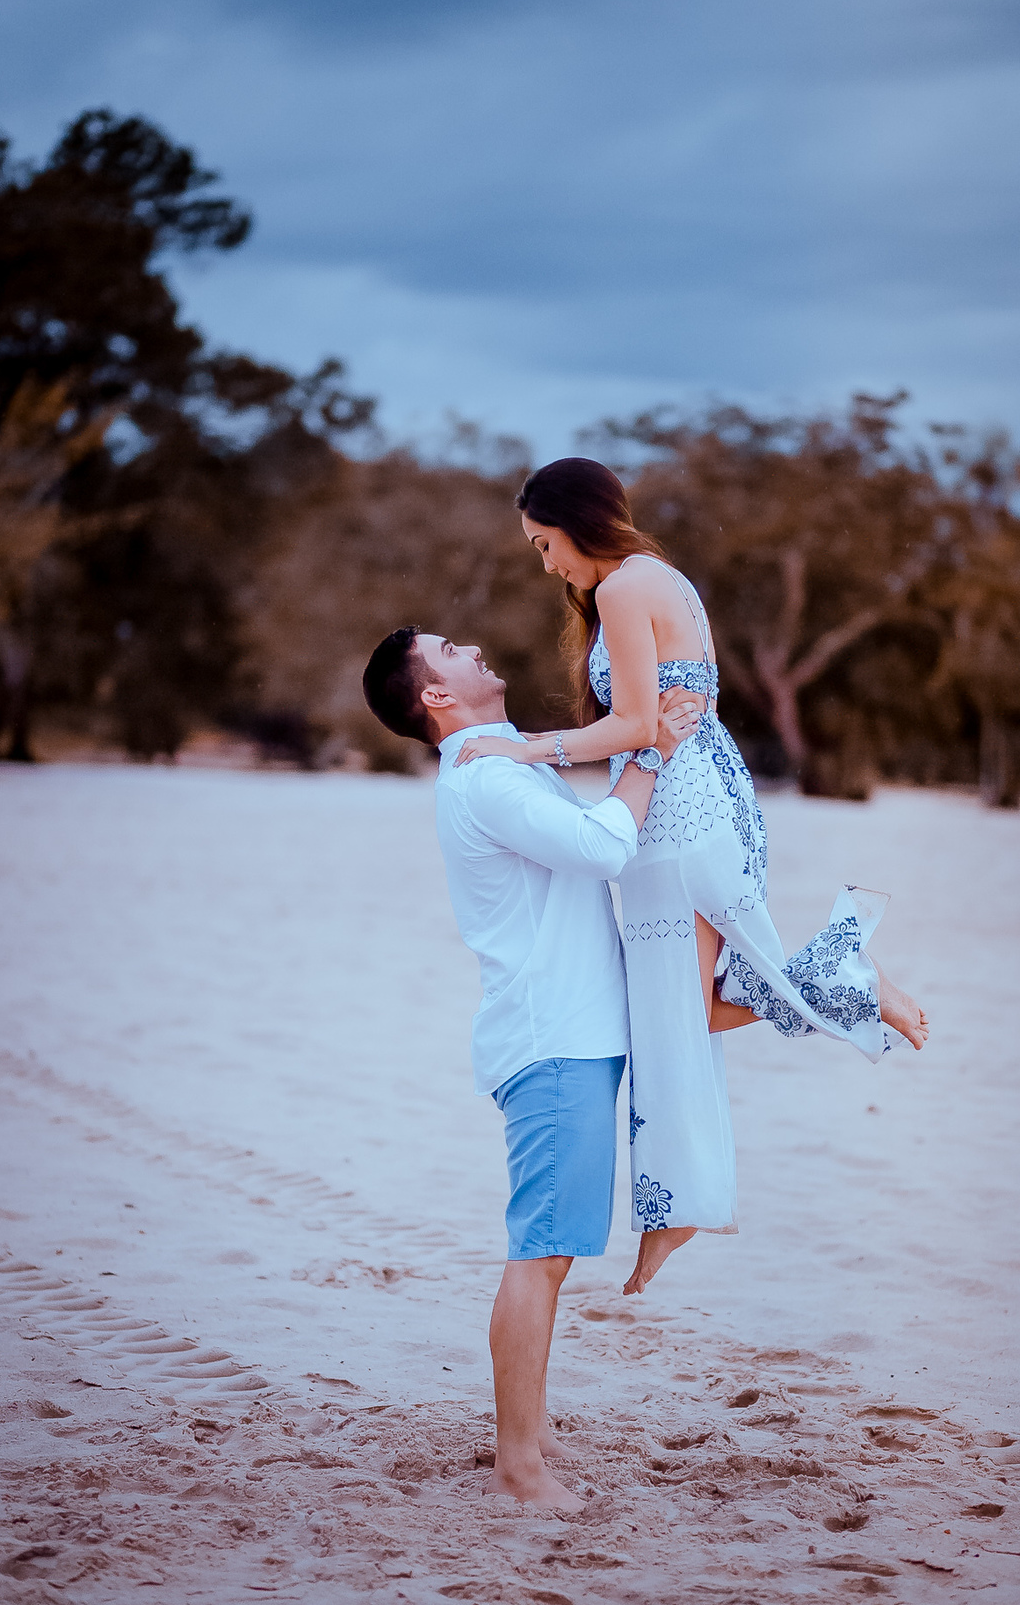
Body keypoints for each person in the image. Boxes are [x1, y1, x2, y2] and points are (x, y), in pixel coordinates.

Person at [453, 457, 930, 1298]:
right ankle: (677, 1204)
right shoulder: (655, 578)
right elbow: (653, 717)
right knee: (684, 1008)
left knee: (676, 1009)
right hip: (699, 796)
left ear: (579, 522)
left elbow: (637, 723)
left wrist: (526, 748)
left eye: (545, 543)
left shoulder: (625, 589)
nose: (546, 563)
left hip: (678, 815)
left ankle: (844, 978)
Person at [362, 624, 700, 1513]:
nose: (470, 647)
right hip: (555, 1039)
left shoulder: (501, 766)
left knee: (544, 1249)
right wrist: (655, 754)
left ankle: (531, 1434)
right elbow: (599, 847)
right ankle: (518, 1466)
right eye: (448, 649)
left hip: (564, 1032)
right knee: (541, 1253)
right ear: (436, 695)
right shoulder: (486, 776)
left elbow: (585, 831)